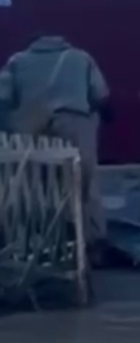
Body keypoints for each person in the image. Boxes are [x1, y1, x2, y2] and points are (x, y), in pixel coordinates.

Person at [0, 33, 111, 247]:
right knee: (84, 182)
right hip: (74, 122)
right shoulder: (80, 58)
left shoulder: (18, 61)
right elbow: (100, 95)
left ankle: (31, 239)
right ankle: (92, 240)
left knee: (33, 183)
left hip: (30, 127)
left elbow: (3, 99)